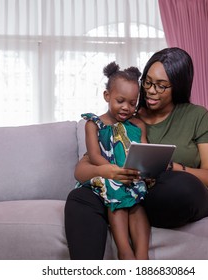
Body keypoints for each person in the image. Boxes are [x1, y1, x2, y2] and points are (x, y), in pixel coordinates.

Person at [64, 47, 208, 260]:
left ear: (178, 85)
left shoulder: (197, 116)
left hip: (174, 195)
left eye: (161, 85)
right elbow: (86, 167)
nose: (150, 91)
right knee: (80, 198)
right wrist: (112, 173)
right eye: (147, 82)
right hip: (131, 190)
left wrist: (171, 167)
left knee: (180, 187)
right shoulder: (126, 116)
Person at [76, 61, 150, 260]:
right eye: (120, 101)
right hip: (106, 174)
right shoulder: (94, 124)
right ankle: (124, 251)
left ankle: (142, 256)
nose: (126, 107)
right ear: (107, 96)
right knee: (117, 189)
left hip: (131, 175)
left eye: (132, 103)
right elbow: (94, 156)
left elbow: (143, 151)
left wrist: (147, 172)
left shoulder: (138, 125)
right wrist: (114, 171)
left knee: (137, 202)